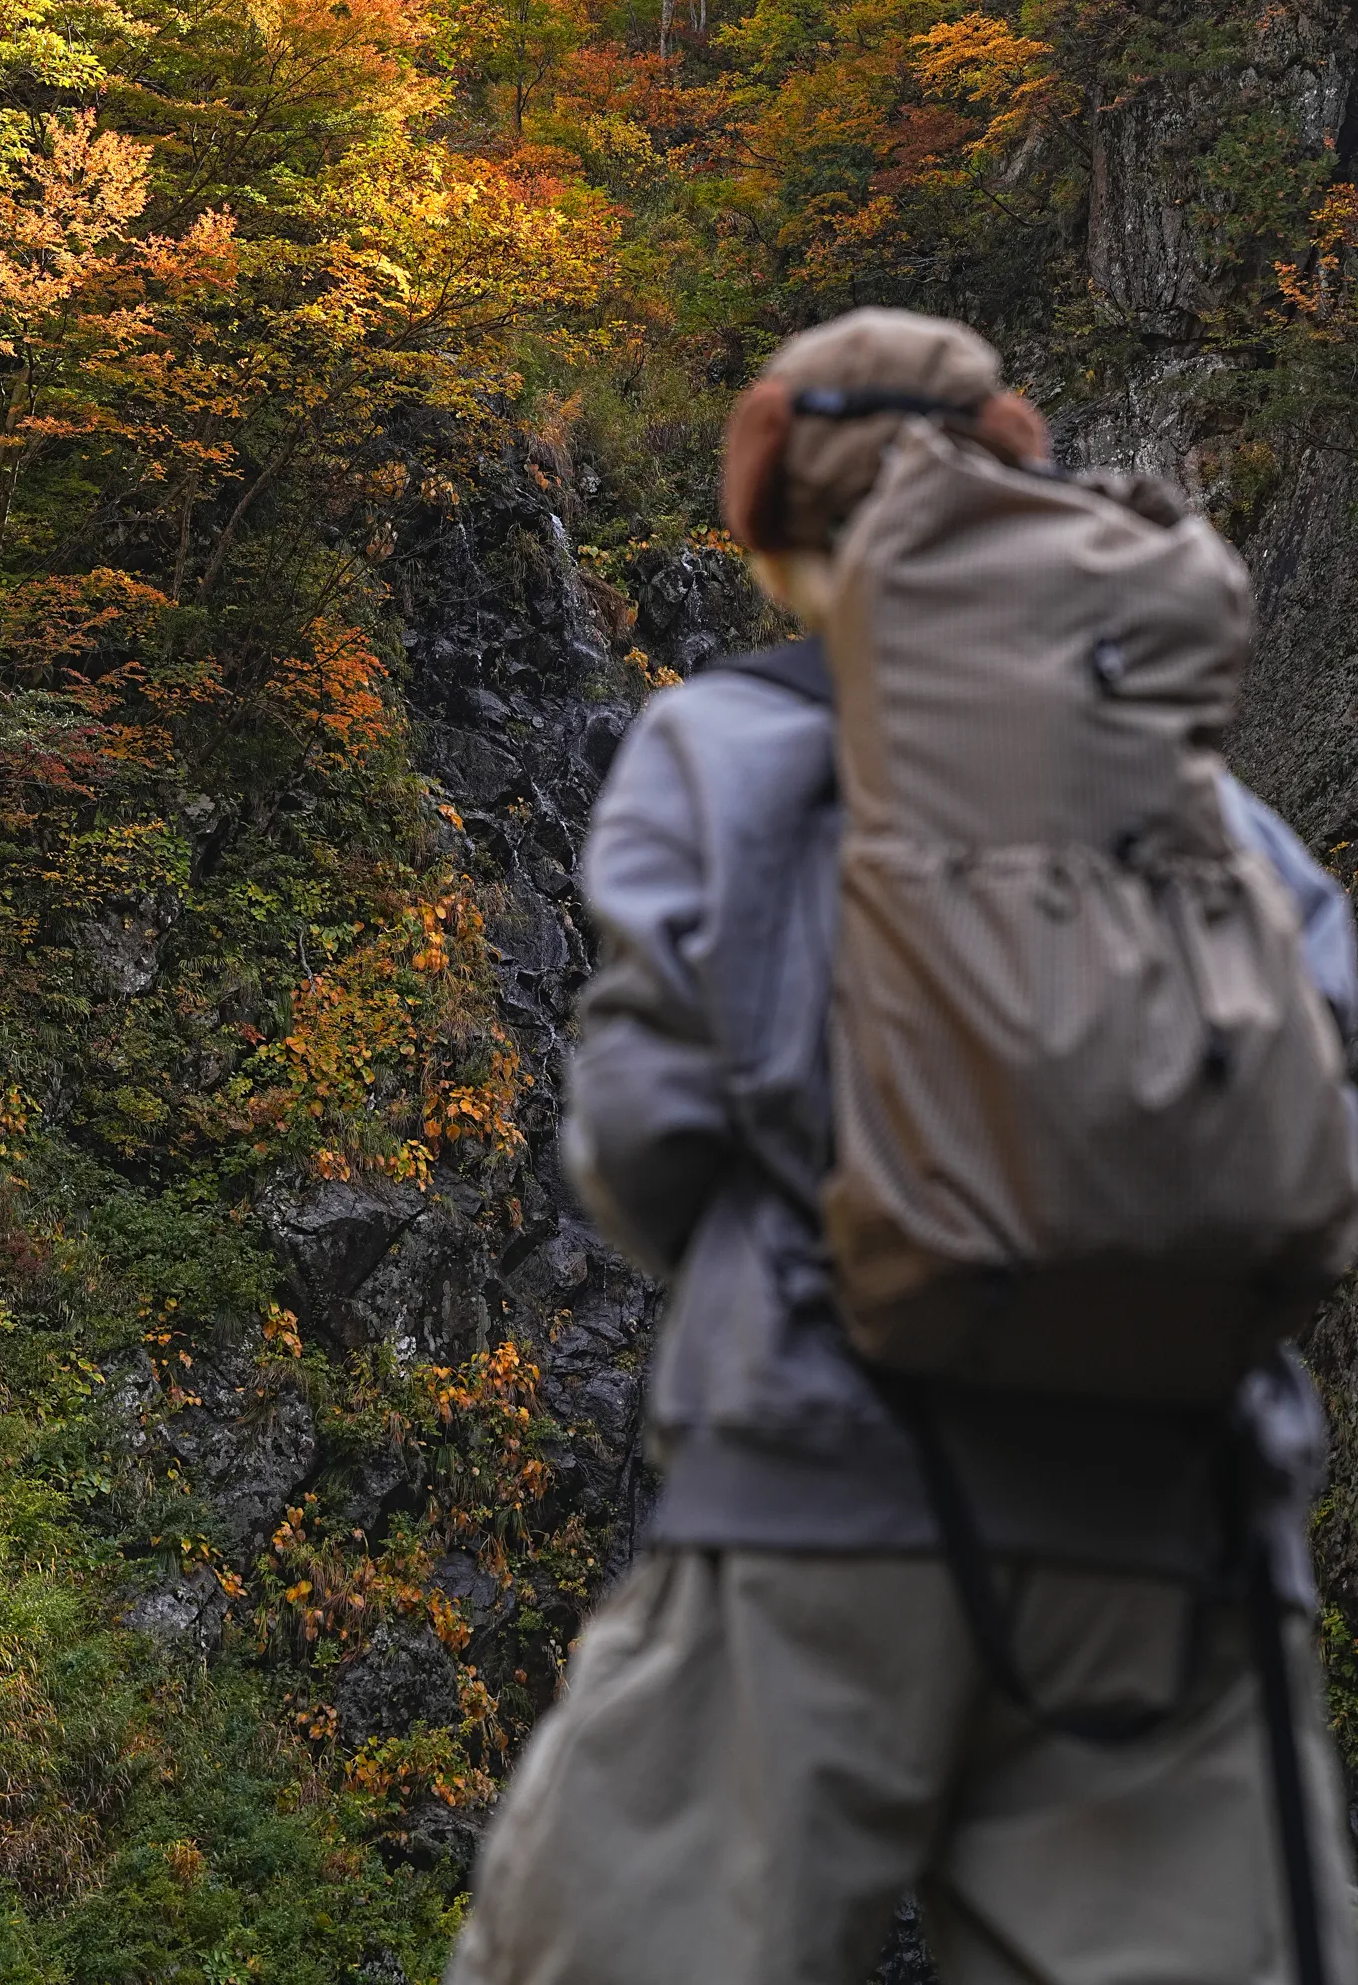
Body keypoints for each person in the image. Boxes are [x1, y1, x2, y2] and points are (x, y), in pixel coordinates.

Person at [447, 309, 1358, 1985]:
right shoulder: (1196, 797)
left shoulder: (724, 746)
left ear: (785, 522)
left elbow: (644, 1137)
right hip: (1175, 1540)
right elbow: (1316, 1080)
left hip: (816, 1508)